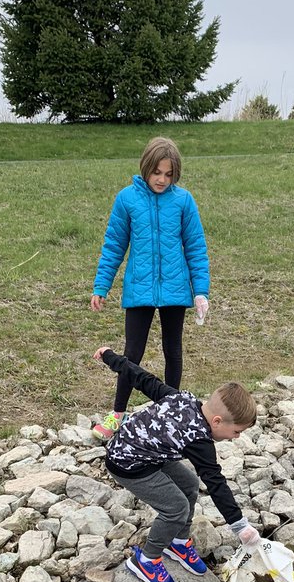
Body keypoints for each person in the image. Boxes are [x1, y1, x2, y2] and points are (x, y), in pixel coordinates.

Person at [93, 345, 261, 582]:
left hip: (147, 453)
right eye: (236, 432)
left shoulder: (183, 399)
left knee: (190, 484)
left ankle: (179, 542)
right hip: (128, 464)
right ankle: (147, 560)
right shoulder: (199, 439)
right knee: (176, 508)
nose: (236, 438)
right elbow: (215, 482)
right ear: (217, 421)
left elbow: (142, 378)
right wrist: (239, 526)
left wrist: (109, 356)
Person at [90, 136, 210, 441]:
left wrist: (200, 291)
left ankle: (172, 411)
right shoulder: (127, 199)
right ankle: (118, 413)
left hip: (174, 290)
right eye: (157, 173)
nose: (162, 180)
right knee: (132, 353)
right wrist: (102, 285)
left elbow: (196, 247)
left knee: (173, 349)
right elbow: (114, 245)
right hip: (139, 290)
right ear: (146, 168)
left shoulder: (183, 201)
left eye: (169, 175)